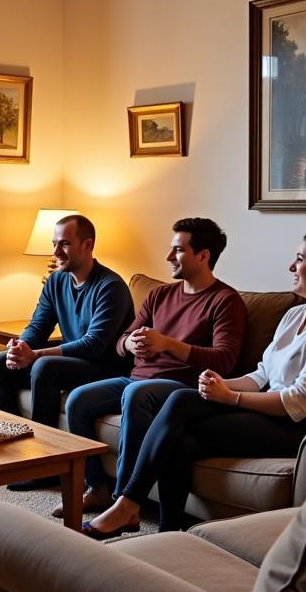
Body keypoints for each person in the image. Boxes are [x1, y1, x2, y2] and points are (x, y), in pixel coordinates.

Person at [83, 229, 306, 539]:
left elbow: (304, 400)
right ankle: (168, 533)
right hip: (280, 412)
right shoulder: (297, 314)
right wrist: (220, 383)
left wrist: (229, 398)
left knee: (181, 409)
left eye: (299, 259)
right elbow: (262, 376)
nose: (291, 267)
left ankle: (127, 504)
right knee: (181, 419)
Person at [63, 218, 247, 516]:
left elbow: (225, 359)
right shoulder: (160, 294)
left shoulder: (225, 301)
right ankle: (97, 487)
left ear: (203, 256)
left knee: (138, 395)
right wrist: (130, 344)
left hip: (181, 387)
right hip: (135, 379)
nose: (169, 256)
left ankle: (125, 503)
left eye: (178, 250)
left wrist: (168, 344)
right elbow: (120, 341)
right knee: (79, 400)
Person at [0, 213, 135, 490]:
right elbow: (38, 325)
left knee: (45, 367)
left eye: (64, 244)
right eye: (54, 243)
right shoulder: (56, 282)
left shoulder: (110, 286)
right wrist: (21, 346)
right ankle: (13, 456)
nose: (56, 252)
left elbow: (94, 344)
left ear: (87, 245)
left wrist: (37, 356)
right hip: (73, 363)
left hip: (105, 368)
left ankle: (45, 465)